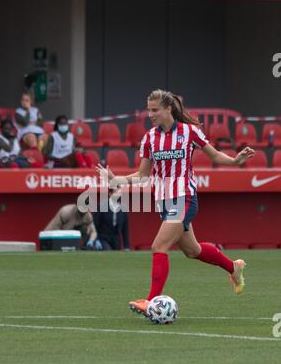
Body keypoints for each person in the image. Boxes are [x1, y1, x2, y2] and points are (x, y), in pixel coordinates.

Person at [97, 88, 255, 316]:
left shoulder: (190, 132)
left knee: (158, 246)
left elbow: (214, 155)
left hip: (184, 198)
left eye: (155, 110)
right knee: (193, 250)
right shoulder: (150, 138)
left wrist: (236, 160)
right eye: (148, 110)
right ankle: (234, 267)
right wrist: (116, 179)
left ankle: (151, 301)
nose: (150, 114)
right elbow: (142, 175)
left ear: (168, 108)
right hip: (164, 202)